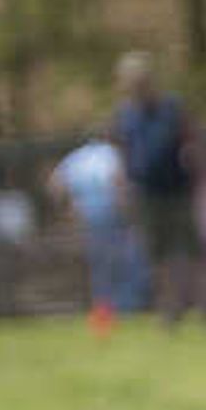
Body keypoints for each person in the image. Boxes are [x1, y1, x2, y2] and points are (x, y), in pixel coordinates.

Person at [110, 52, 206, 325]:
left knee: (190, 250)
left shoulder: (172, 107)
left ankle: (204, 306)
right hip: (146, 193)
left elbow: (192, 140)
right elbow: (121, 153)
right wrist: (122, 187)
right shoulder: (125, 115)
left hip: (178, 188)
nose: (137, 85)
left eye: (141, 80)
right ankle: (169, 310)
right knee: (157, 255)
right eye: (131, 82)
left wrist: (195, 166)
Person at [48, 130, 145, 315]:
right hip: (110, 215)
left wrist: (66, 209)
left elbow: (54, 184)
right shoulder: (110, 154)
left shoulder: (76, 157)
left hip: (86, 218)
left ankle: (102, 306)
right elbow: (118, 181)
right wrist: (128, 211)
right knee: (119, 261)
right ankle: (122, 306)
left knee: (98, 263)